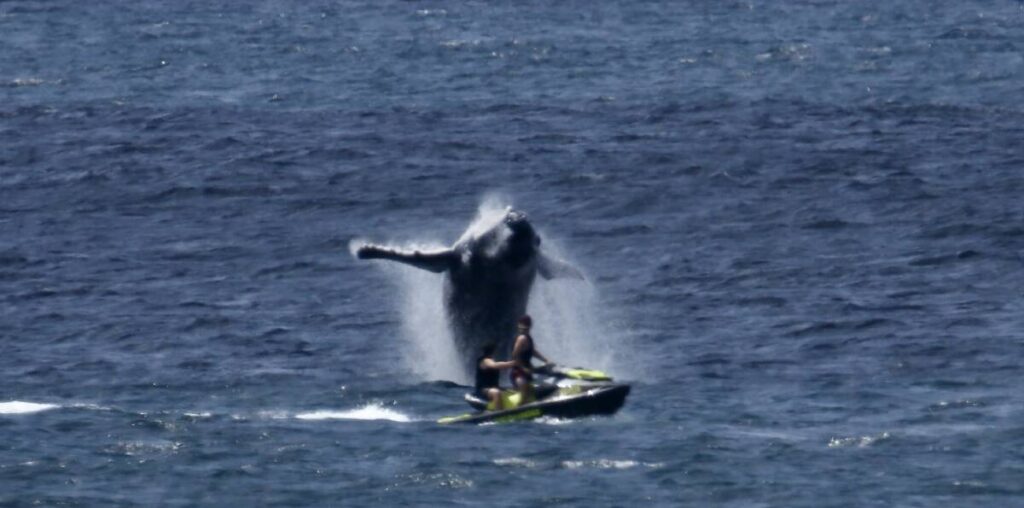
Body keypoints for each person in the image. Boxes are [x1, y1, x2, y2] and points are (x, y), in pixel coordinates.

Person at [510, 314, 553, 403]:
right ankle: (518, 409)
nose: (524, 330)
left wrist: (546, 360)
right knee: (524, 392)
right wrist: (523, 368)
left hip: (527, 370)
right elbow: (514, 355)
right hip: (518, 372)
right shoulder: (521, 338)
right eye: (523, 329)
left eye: (526, 329)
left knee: (531, 391)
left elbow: (533, 351)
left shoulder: (528, 338)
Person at [475, 342, 515, 411]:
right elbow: (494, 365)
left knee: (512, 392)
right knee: (496, 392)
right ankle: (499, 412)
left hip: (493, 387)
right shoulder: (485, 361)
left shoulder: (490, 360)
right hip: (483, 390)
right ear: (493, 351)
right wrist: (512, 363)